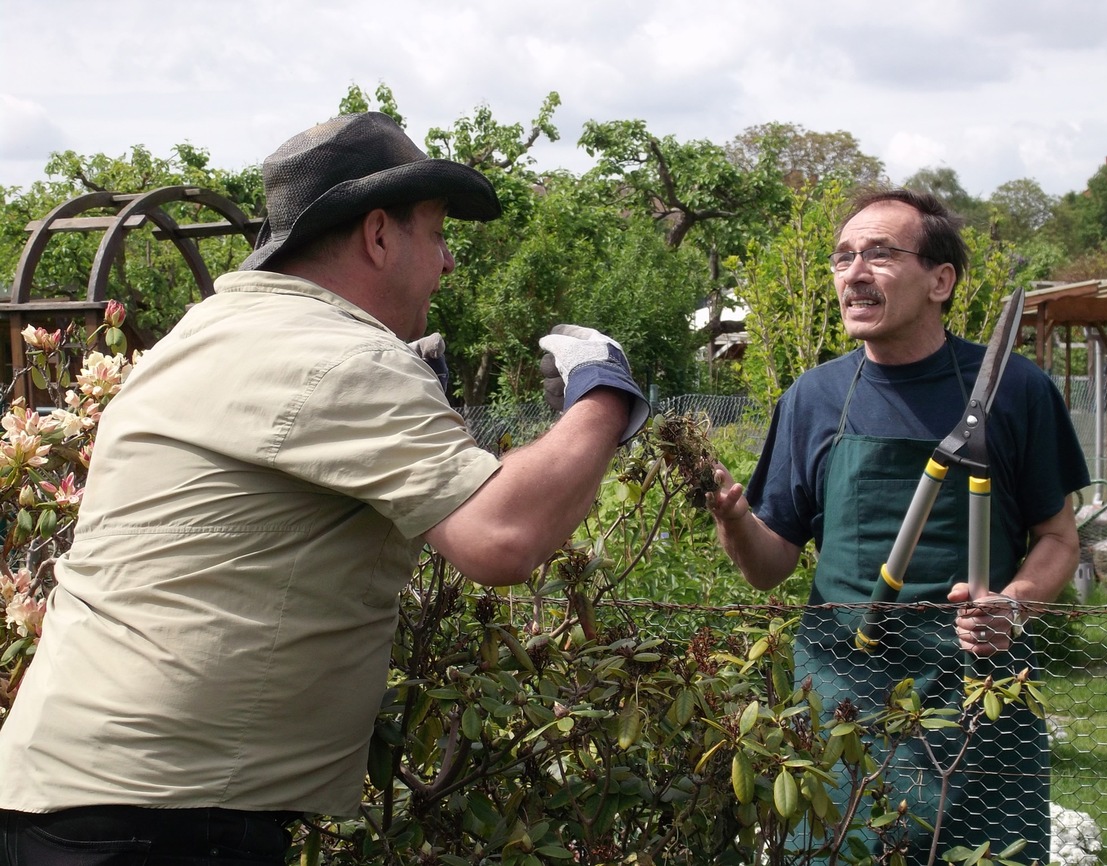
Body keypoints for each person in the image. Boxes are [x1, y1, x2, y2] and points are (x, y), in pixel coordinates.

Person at [0, 111, 649, 864]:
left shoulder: (212, 330)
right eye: (436, 235)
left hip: (65, 796)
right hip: (165, 819)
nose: (445, 266)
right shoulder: (341, 357)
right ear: (378, 235)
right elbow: (500, 536)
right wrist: (603, 395)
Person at [707, 188, 1089, 864]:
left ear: (941, 280)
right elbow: (770, 567)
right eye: (842, 257)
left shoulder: (1015, 388)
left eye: (880, 255)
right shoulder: (813, 398)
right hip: (842, 696)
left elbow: (1058, 537)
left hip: (980, 697)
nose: (853, 273)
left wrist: (1014, 607)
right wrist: (737, 521)